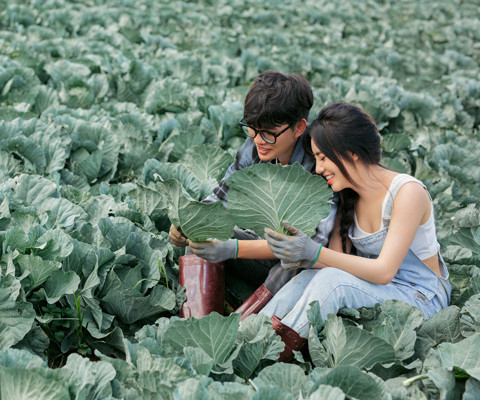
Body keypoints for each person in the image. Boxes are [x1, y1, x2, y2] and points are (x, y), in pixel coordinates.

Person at [260, 102, 451, 362]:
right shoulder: (349, 197)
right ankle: (247, 337)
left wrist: (314, 252)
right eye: (316, 159)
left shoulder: (407, 192)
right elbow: (334, 263)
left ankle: (269, 357)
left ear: (351, 152)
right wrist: (303, 255)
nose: (318, 168)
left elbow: (384, 271)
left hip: (422, 300)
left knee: (332, 282)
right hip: (381, 291)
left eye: (323, 158)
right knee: (307, 278)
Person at [169, 70, 335, 318]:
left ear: (299, 127)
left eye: (269, 132)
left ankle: (244, 328)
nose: (258, 139)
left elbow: (311, 248)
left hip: (305, 266)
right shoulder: (255, 149)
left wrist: (232, 249)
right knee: (201, 239)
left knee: (293, 264)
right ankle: (197, 323)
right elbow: (220, 199)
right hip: (258, 251)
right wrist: (188, 223)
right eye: (252, 129)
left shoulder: (322, 162)